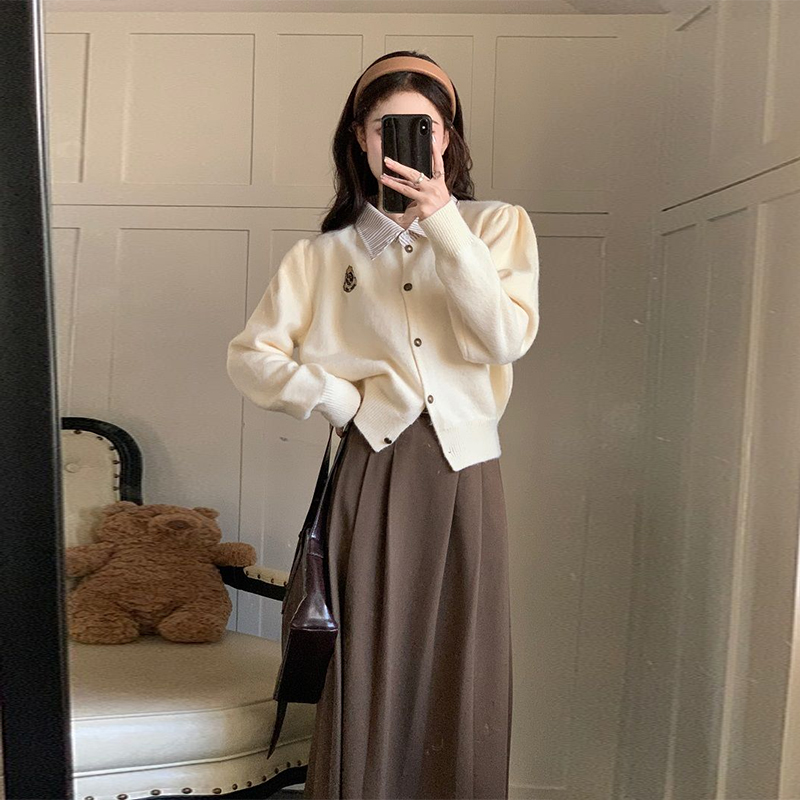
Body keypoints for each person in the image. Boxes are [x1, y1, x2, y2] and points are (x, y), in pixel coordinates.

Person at [226, 50, 541, 800]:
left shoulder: (496, 227)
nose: (401, 141)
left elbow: (502, 339)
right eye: (383, 127)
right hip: (372, 465)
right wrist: (340, 402)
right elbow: (251, 357)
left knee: (463, 653)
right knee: (369, 655)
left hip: (466, 470)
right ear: (360, 140)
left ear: (447, 138)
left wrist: (443, 223)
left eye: (423, 126)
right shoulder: (321, 256)